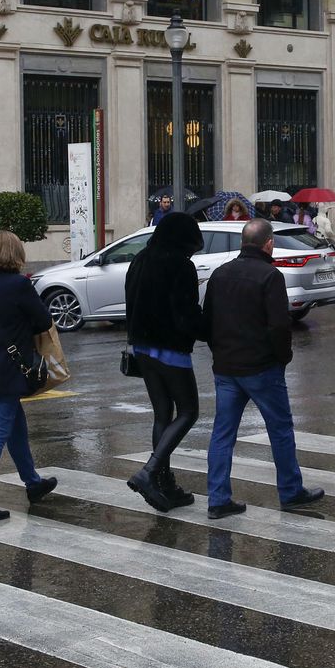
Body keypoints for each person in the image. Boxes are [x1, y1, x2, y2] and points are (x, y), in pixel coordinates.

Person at [202, 218, 323, 518]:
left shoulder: (220, 274)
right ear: (268, 243)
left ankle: (218, 498)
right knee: (280, 429)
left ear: (243, 242)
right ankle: (291, 491)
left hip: (227, 368)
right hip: (261, 368)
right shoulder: (270, 276)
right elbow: (279, 326)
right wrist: (282, 358)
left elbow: (207, 321)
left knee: (222, 434)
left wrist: (219, 352)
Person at [0, 229, 57, 520]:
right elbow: (43, 320)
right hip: (8, 369)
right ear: (15, 254)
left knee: (15, 426)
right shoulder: (18, 285)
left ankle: (33, 483)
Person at [124, 212, 207, 511]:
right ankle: (150, 472)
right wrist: (208, 330)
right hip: (171, 348)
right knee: (188, 411)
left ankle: (164, 483)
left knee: (162, 414)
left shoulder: (140, 259)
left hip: (143, 348)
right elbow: (186, 314)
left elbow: (130, 301)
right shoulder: (180, 265)